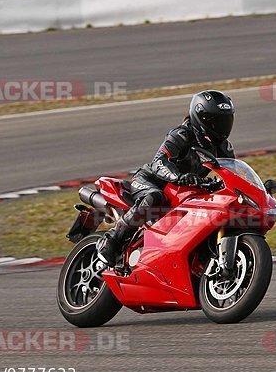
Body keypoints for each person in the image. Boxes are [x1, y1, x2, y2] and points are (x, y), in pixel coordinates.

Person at [97, 90, 235, 266]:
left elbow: (232, 172)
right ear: (202, 118)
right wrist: (179, 177)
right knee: (155, 198)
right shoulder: (182, 134)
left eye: (225, 121)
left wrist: (255, 187)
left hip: (185, 191)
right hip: (151, 181)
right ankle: (112, 240)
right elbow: (159, 162)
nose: (222, 126)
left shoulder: (223, 147)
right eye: (216, 121)